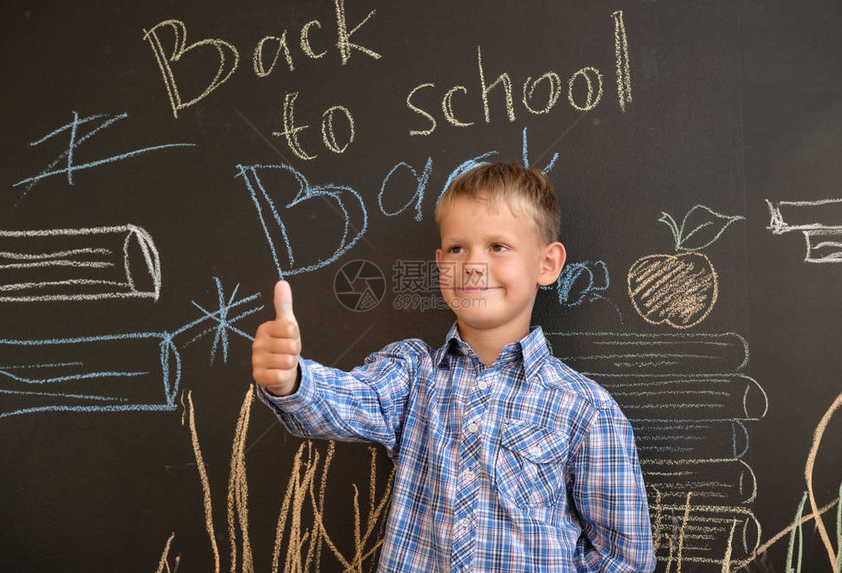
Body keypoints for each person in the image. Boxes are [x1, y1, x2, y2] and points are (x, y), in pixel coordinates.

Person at [252, 163, 656, 571]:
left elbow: (624, 559)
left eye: (498, 246)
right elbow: (353, 401)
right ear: (440, 261)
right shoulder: (412, 375)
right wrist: (292, 380)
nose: (473, 265)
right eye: (458, 248)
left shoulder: (586, 410)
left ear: (546, 264)